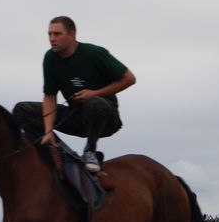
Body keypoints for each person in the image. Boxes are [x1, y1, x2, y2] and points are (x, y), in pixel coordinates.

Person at [13, 16, 136, 172]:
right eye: (49, 34)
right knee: (21, 109)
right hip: (76, 117)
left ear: (72, 34)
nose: (52, 39)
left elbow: (129, 79)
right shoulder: (50, 58)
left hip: (106, 118)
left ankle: (90, 152)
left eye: (57, 34)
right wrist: (48, 130)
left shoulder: (95, 53)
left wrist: (95, 93)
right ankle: (55, 150)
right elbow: (50, 96)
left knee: (94, 103)